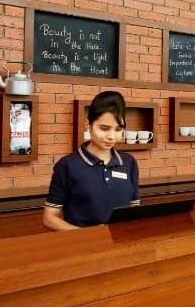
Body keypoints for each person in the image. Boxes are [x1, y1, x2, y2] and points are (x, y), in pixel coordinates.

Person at [42, 91, 140, 230]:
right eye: (104, 128)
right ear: (88, 125)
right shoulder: (67, 165)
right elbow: (49, 218)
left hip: (123, 240)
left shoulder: (129, 162)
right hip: (84, 241)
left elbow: (134, 209)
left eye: (118, 129)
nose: (111, 136)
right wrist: (88, 235)